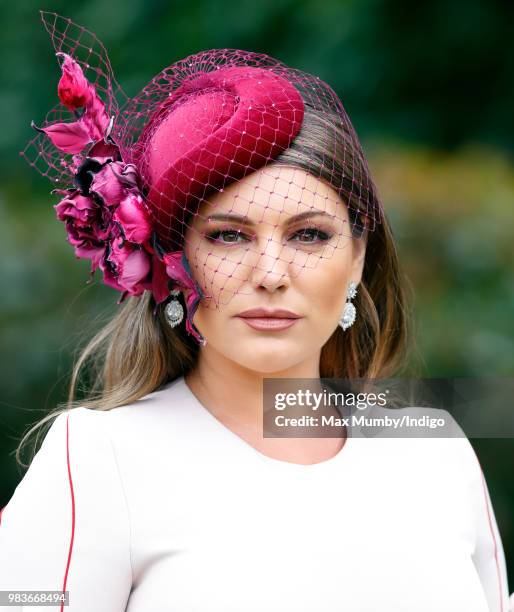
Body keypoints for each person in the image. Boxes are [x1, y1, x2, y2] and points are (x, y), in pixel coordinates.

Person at [0, 10, 512, 612]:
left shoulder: (436, 448)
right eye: (228, 236)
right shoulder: (96, 460)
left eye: (310, 236)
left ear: (357, 257)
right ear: (169, 256)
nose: (270, 274)